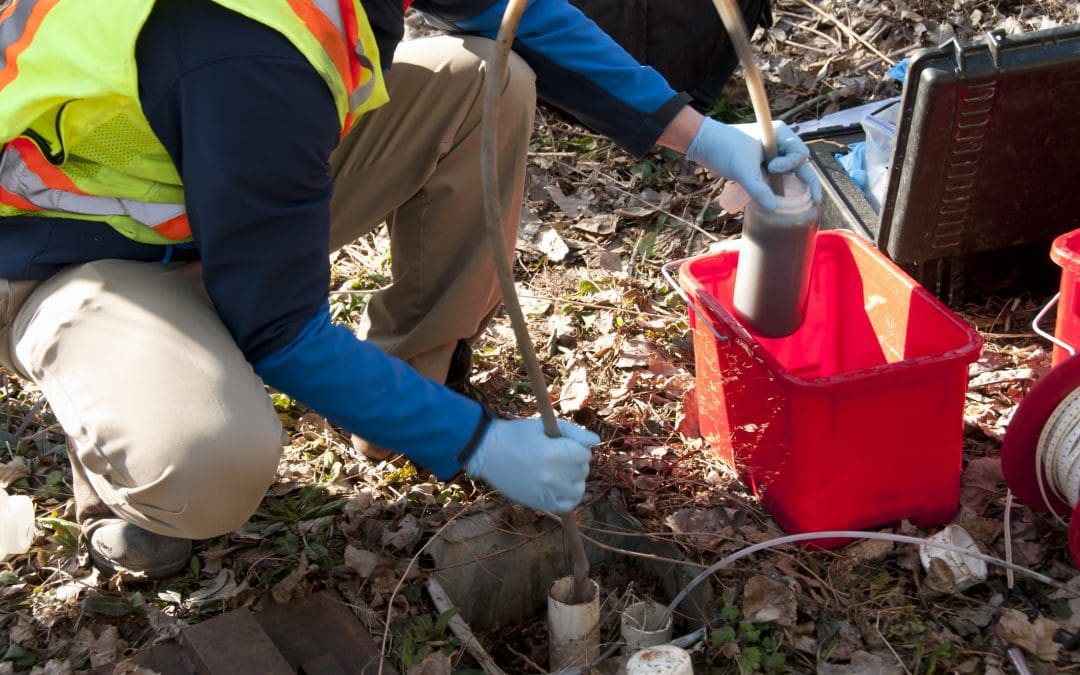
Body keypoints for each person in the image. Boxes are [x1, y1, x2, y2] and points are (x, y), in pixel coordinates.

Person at [0, 0, 820, 579]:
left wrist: (702, 135)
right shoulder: (243, 47)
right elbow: (280, 329)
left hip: (219, 177)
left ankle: (404, 393)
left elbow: (519, 15)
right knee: (209, 456)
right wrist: (480, 445)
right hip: (75, 246)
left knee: (486, 82)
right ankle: (124, 461)